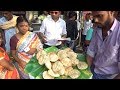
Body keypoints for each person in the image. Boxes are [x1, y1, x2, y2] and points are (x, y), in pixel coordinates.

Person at [87, 11, 120, 79]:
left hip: (111, 76)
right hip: (93, 71)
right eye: (94, 16)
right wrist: (87, 71)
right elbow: (91, 53)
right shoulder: (97, 29)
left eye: (99, 16)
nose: (95, 20)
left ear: (111, 12)